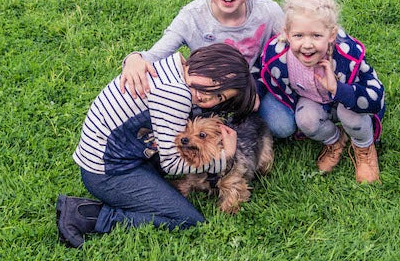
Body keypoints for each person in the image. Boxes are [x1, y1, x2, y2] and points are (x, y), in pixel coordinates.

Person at [57, 43, 256, 248]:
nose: (208, 95)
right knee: (187, 220)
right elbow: (171, 165)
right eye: (214, 80)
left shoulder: (173, 66)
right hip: (106, 173)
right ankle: (87, 215)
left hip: (127, 154)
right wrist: (225, 158)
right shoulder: (176, 94)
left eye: (219, 96)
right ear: (205, 59)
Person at [120, 0, 284, 104]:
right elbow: (157, 54)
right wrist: (134, 59)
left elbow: (291, 47)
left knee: (280, 125)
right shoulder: (191, 16)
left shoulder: (269, 12)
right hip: (204, 93)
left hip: (251, 86)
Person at [253, 0, 385, 183]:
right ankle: (335, 140)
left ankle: (364, 147)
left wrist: (338, 89)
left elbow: (375, 96)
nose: (307, 44)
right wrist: (252, 94)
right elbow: (261, 72)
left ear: (331, 35)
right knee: (306, 119)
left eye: (316, 36)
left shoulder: (347, 56)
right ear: (287, 34)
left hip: (349, 103)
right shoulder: (276, 55)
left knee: (349, 115)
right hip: (314, 100)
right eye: (298, 36)